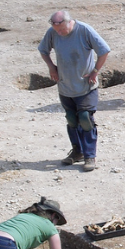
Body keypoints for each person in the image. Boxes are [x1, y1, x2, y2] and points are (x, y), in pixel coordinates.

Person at [38, 11, 111, 172]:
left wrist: (95, 70)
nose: (60, 33)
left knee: (85, 118)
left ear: (69, 22)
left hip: (86, 86)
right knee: (71, 119)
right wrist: (52, 68)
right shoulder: (53, 32)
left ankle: (89, 155)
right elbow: (43, 50)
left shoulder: (84, 30)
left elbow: (104, 50)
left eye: (62, 30)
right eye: (57, 30)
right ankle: (77, 151)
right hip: (65, 85)